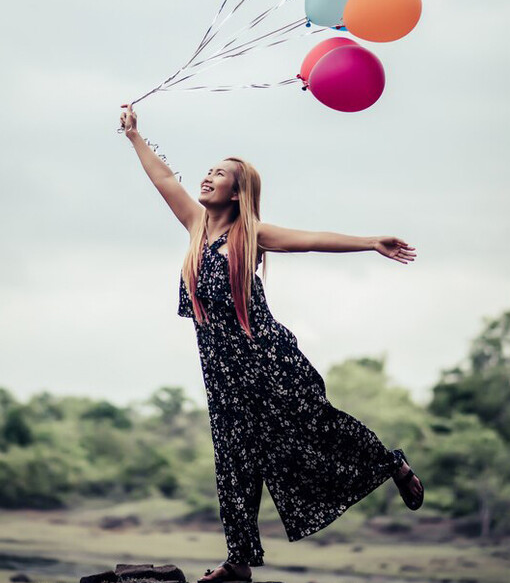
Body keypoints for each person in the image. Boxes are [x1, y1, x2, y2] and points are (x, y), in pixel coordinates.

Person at [120, 104, 424, 583]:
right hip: (223, 376)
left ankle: (391, 463)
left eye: (219, 174)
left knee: (315, 429)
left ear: (237, 192)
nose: (207, 177)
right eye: (208, 171)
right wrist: (136, 136)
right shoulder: (197, 229)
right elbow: (164, 182)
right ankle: (238, 562)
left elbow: (313, 239)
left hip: (270, 361)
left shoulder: (251, 235)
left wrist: (370, 242)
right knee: (234, 461)